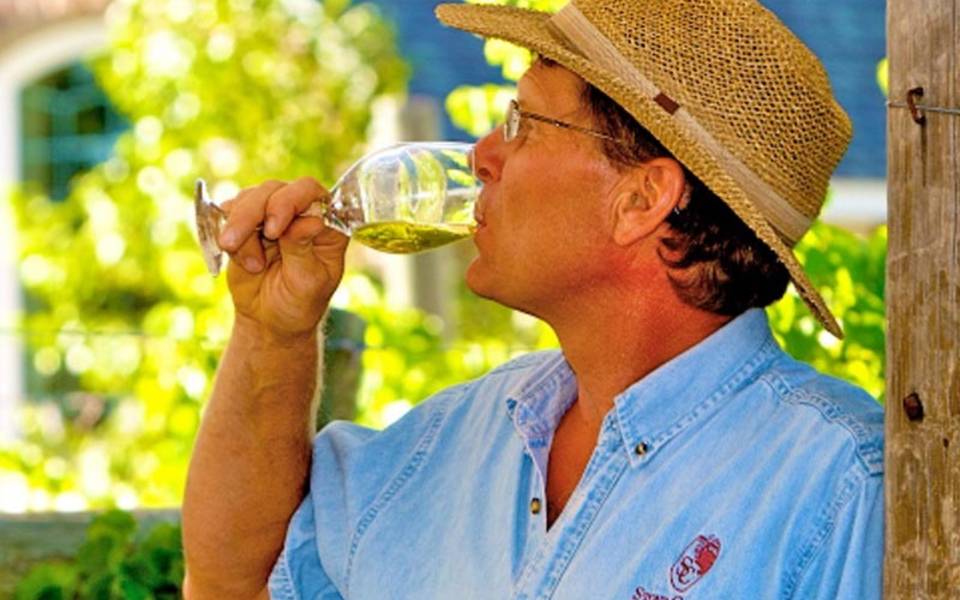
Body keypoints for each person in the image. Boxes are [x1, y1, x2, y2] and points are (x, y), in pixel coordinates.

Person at [181, 1, 884, 598]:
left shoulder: (843, 484)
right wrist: (272, 331)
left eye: (523, 123)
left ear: (642, 200)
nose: (483, 154)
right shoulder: (461, 434)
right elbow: (235, 584)